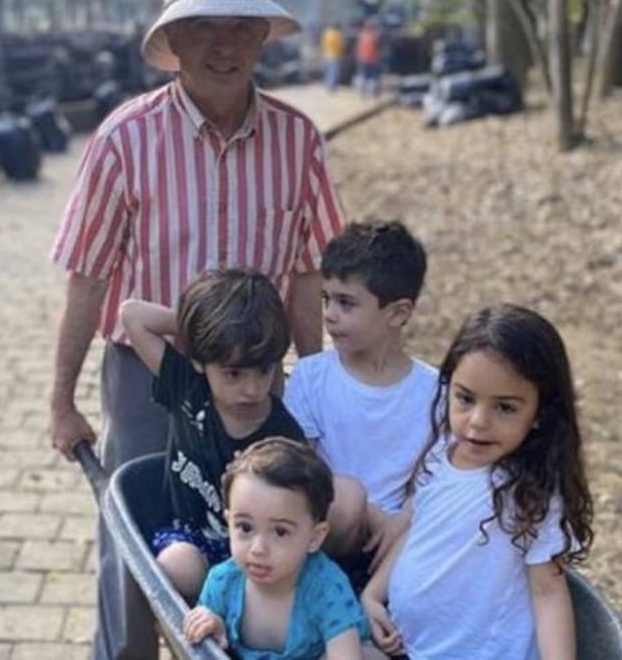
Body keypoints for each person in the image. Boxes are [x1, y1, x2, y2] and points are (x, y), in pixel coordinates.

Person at [47, 0, 347, 659]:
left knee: (267, 529)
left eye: (241, 27)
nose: (223, 44)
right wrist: (62, 399)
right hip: (152, 375)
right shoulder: (125, 139)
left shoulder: (297, 140)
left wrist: (315, 379)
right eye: (203, 26)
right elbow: (88, 277)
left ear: (261, 40)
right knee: (138, 532)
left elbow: (308, 273)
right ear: (172, 41)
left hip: (256, 378)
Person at [360, 304, 595, 660]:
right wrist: (373, 595)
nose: (478, 422)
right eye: (465, 399)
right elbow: (424, 528)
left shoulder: (530, 492)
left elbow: (548, 592)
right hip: (408, 647)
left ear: (540, 413)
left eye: (504, 408)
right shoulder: (443, 452)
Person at [120, 268, 308, 601]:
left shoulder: (281, 435)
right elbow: (132, 315)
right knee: (180, 567)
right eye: (233, 373)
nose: (251, 389)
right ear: (199, 361)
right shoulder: (187, 387)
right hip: (188, 537)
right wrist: (208, 328)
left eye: (263, 370)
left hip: (253, 554)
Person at [283, 220, 437, 570]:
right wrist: (373, 516)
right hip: (325, 528)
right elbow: (297, 471)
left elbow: (433, 481)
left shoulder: (434, 392)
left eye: (346, 303)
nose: (329, 315)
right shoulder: (311, 377)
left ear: (398, 313)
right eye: (326, 299)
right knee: (346, 499)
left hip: (400, 540)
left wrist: (401, 524)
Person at [184, 437, 369, 660]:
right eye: (245, 527)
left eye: (280, 532)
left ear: (314, 537)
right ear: (228, 522)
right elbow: (200, 645)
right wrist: (212, 626)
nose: (258, 549)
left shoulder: (326, 589)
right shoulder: (223, 583)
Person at [354, 18, 383, 98]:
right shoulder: (375, 37)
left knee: (363, 76)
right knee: (373, 77)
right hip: (373, 59)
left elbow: (358, 48)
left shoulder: (362, 36)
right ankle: (372, 93)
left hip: (363, 59)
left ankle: (362, 93)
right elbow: (378, 48)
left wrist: (358, 56)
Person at [320, 22, 345, 92]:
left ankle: (327, 85)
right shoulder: (338, 34)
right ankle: (332, 87)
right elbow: (341, 45)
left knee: (328, 71)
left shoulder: (326, 33)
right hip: (335, 55)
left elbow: (323, 44)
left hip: (327, 54)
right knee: (334, 72)